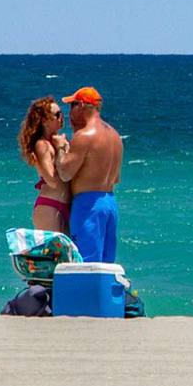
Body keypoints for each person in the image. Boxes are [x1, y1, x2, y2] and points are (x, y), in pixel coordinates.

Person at [57, 85, 123, 264]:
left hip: (89, 204)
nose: (69, 112)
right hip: (109, 202)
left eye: (72, 106)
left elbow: (64, 172)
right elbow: (115, 178)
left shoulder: (85, 135)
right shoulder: (115, 136)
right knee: (105, 264)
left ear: (81, 106)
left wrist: (62, 147)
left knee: (85, 263)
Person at [17, 97, 72, 233]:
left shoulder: (58, 141)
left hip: (64, 204)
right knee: (53, 253)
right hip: (50, 206)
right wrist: (61, 149)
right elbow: (52, 180)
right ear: (44, 120)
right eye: (57, 115)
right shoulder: (42, 145)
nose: (61, 118)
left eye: (62, 114)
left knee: (68, 252)